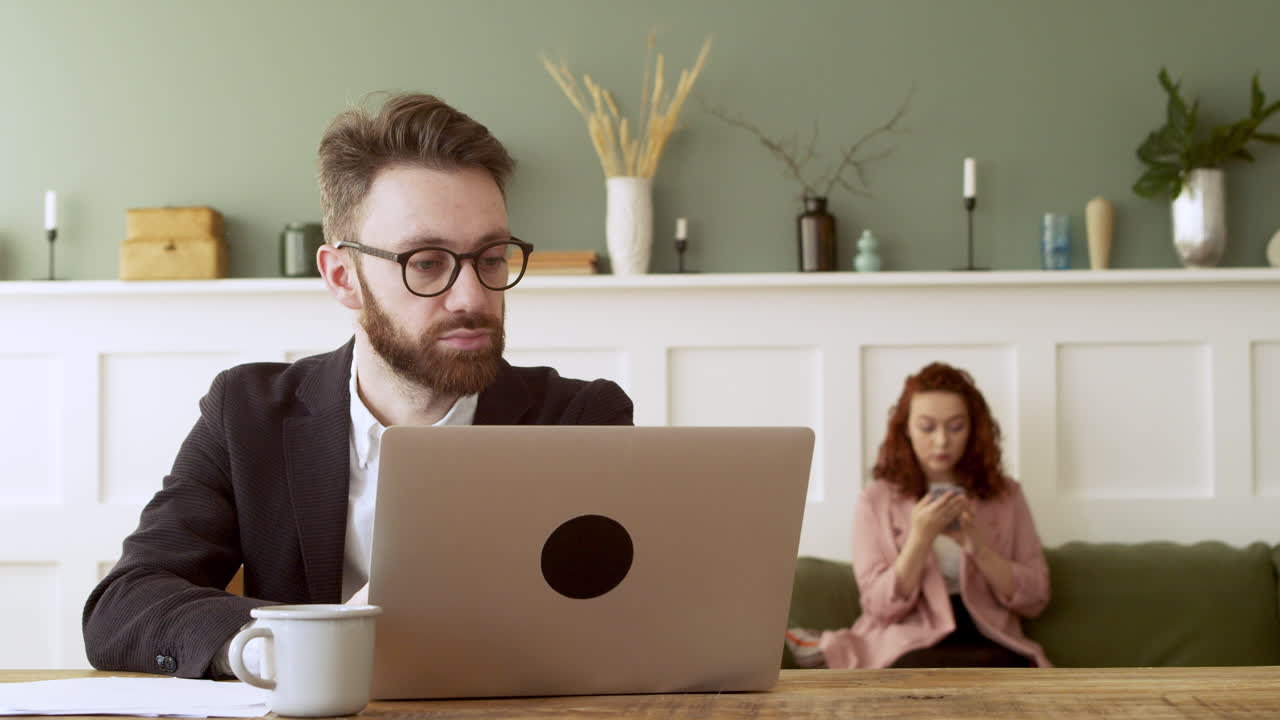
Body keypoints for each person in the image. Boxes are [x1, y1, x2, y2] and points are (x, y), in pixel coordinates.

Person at [82, 93, 634, 678]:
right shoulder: (246, 414)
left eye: (492, 258)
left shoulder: (579, 418)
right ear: (342, 276)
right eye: (426, 262)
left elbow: (626, 622)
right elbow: (123, 608)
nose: (473, 297)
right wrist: (300, 644)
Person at [786, 362, 1050, 668]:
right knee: (916, 671)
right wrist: (920, 539)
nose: (941, 441)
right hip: (910, 639)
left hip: (989, 638)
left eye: (955, 427)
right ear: (907, 430)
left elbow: (1036, 599)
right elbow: (878, 607)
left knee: (1005, 670)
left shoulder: (1006, 496)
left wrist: (978, 548)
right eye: (927, 427)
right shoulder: (877, 500)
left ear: (973, 429)